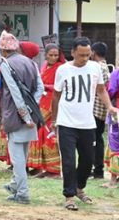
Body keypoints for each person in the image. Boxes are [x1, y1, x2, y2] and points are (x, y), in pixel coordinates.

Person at [52, 37, 119, 211]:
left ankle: (79, 188)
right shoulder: (63, 70)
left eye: (87, 55)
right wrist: (54, 119)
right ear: (73, 52)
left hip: (87, 123)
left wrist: (110, 107)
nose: (84, 58)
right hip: (66, 123)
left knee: (88, 160)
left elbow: (101, 90)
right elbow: (56, 96)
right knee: (68, 161)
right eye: (81, 55)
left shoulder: (95, 67)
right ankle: (69, 196)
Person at [0, 30, 43, 205]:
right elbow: (39, 89)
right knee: (22, 156)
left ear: (3, 50)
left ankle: (23, 193)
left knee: (17, 158)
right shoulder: (31, 63)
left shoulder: (6, 64)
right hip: (31, 114)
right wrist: (32, 109)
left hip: (15, 115)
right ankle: (15, 185)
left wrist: (24, 115)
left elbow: (15, 93)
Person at [27, 43, 65, 178]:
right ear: (45, 55)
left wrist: (45, 86)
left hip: (52, 103)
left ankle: (54, 170)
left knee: (49, 135)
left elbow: (61, 86)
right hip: (41, 101)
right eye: (51, 55)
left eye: (56, 55)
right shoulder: (43, 66)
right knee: (39, 134)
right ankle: (39, 166)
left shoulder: (60, 68)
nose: (53, 58)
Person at [91, 41, 111, 180]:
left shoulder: (97, 67)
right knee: (97, 139)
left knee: (95, 140)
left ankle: (98, 170)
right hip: (101, 110)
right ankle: (97, 169)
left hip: (95, 109)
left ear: (93, 52)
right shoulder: (105, 66)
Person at [104, 65, 119, 189]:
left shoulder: (116, 74)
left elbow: (111, 90)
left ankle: (113, 179)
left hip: (116, 111)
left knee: (115, 143)